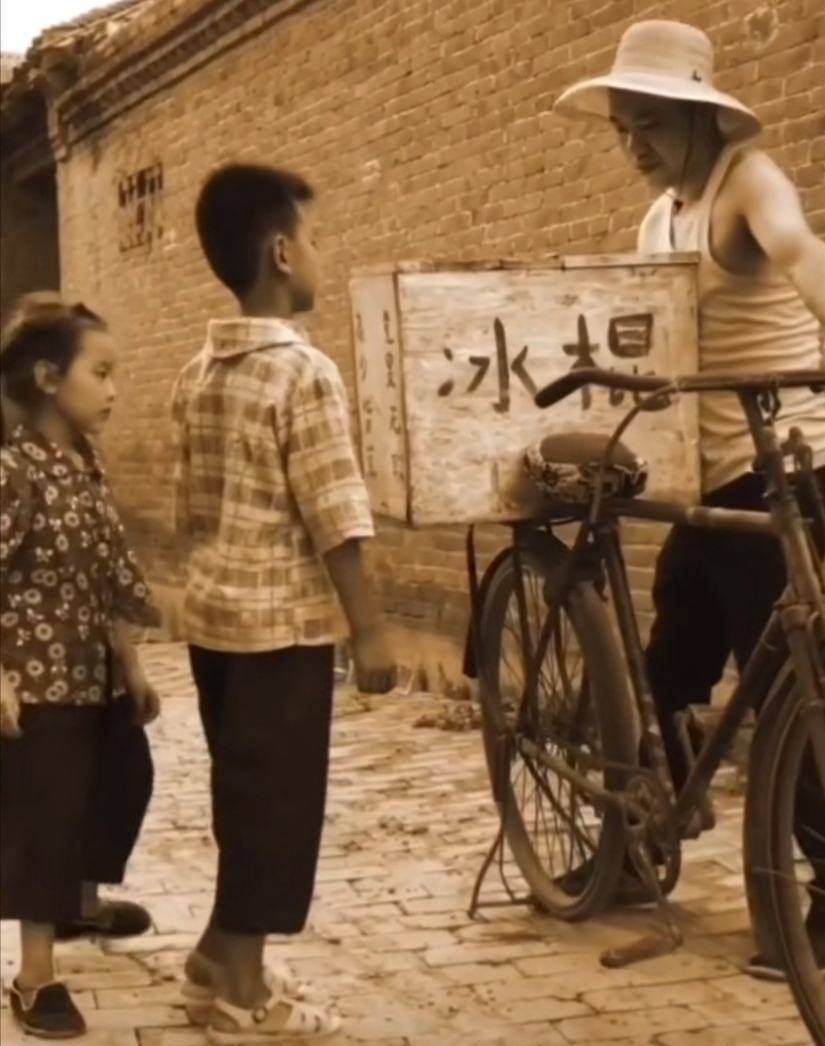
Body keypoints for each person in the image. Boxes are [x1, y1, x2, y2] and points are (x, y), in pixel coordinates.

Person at [554, 20, 825, 979]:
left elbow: (806, 252)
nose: (633, 144)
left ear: (701, 116)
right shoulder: (657, 221)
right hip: (705, 477)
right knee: (666, 667)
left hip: (777, 467)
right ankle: (636, 846)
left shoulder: (749, 182)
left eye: (651, 123)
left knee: (784, 684)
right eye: (622, 128)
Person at [170, 163, 396, 1040]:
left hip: (214, 628)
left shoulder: (197, 372)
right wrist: (369, 630)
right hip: (282, 632)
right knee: (278, 812)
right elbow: (334, 512)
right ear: (280, 253)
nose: (318, 252)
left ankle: (215, 955)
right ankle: (243, 994)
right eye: (314, 237)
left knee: (242, 800)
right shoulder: (304, 373)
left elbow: (190, 508)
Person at [1, 295, 160, 1038]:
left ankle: (82, 904)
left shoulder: (85, 464)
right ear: (46, 378)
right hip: (38, 681)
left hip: (94, 671)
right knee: (47, 819)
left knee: (123, 781)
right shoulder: (15, 473)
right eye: (99, 373)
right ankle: (34, 978)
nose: (113, 390)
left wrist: (130, 660)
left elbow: (107, 570)